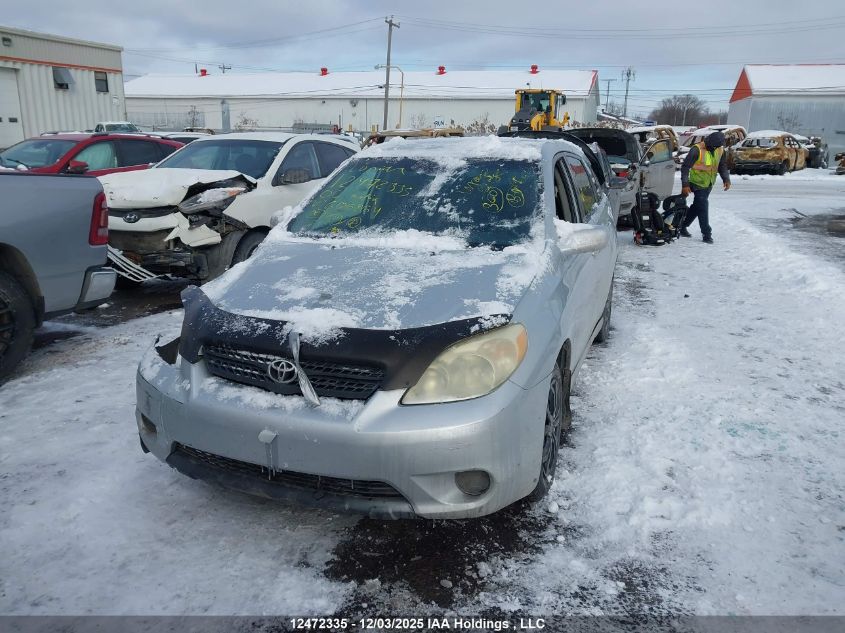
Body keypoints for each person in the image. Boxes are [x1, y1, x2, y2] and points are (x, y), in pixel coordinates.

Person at [680, 130, 731, 243]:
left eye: (713, 147)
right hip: (696, 183)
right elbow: (685, 167)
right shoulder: (696, 149)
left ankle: (682, 226)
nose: (710, 148)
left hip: (708, 183)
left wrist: (726, 179)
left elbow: (722, 165)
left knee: (697, 206)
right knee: (703, 207)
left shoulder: (720, 149)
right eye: (709, 145)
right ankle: (707, 234)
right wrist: (685, 184)